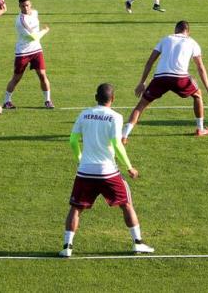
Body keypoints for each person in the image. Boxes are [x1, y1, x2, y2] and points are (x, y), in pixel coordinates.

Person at [59, 83, 154, 258]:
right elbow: (117, 144)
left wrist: (79, 159)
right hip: (108, 172)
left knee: (76, 208)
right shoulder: (115, 117)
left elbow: (72, 140)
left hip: (85, 171)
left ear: (96, 97)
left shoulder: (84, 114)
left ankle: (67, 247)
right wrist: (129, 166)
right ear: (113, 99)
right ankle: (138, 243)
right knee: (126, 204)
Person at [122, 20, 208, 142]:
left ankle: (124, 136)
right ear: (188, 32)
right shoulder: (192, 42)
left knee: (141, 105)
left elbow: (150, 62)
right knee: (198, 95)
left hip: (160, 78)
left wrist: (142, 82)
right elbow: (200, 67)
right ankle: (200, 129)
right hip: (180, 78)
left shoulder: (166, 39)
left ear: (175, 30)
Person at [2, 0, 54, 110]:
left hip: (36, 50)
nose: (25, 8)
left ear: (31, 5)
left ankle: (48, 100)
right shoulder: (21, 21)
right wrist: (45, 30)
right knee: (16, 78)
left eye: (27, 5)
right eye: (23, 6)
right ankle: (6, 101)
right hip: (23, 52)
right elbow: (33, 37)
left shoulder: (35, 13)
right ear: (19, 6)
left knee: (42, 75)